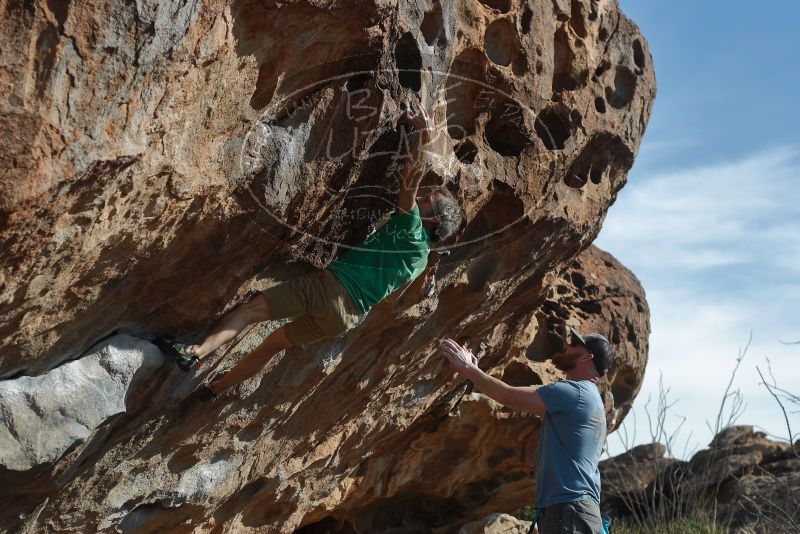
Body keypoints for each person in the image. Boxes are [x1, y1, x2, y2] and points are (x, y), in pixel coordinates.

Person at [156, 105, 463, 401]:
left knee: (251, 311)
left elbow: (410, 178)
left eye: (427, 200)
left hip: (330, 288)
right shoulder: (421, 260)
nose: (421, 197)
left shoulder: (411, 227)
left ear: (432, 219)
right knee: (274, 344)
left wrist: (426, 135)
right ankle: (216, 389)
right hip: (345, 318)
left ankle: (194, 353)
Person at [440, 327, 614, 534]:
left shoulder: (574, 393)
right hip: (576, 509)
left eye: (575, 345)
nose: (567, 346)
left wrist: (467, 368)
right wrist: (476, 373)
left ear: (587, 357)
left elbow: (507, 396)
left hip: (568, 510)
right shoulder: (590, 398)